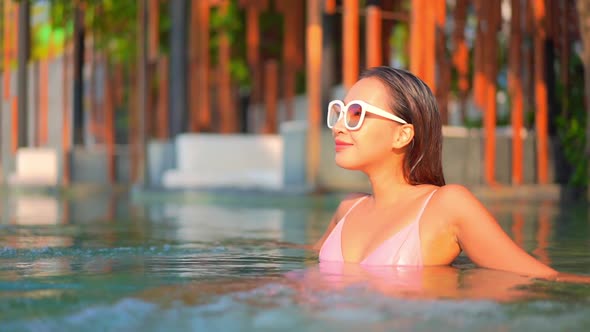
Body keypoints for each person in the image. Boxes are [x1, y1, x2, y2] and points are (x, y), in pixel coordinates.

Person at [313, 66, 589, 283]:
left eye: (355, 113)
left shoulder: (447, 206)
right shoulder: (347, 209)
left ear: (402, 135)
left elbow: (542, 278)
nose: (338, 126)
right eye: (339, 111)